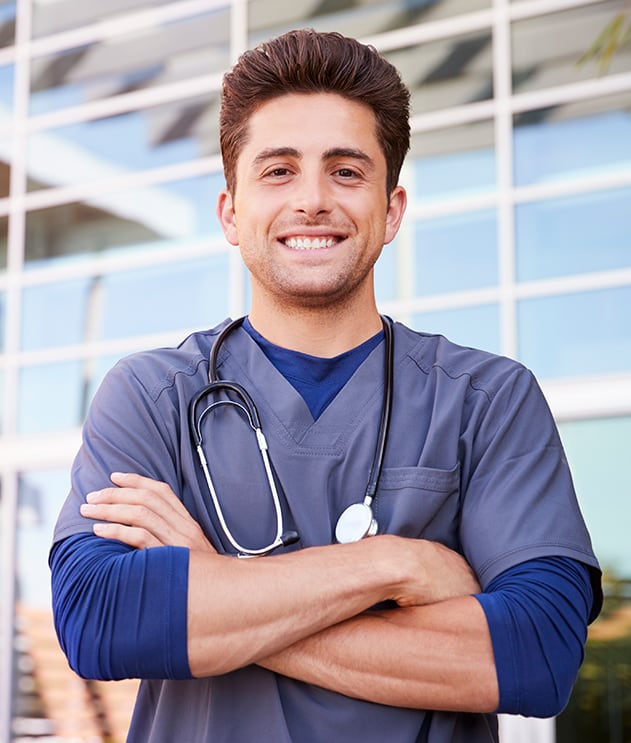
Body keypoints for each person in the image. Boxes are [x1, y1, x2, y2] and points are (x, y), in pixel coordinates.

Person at [50, 29, 602, 743]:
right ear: (229, 212)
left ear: (392, 208)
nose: (311, 200)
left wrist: (212, 591)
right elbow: (100, 620)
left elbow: (536, 655)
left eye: (345, 171)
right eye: (277, 171)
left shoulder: (486, 400)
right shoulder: (152, 395)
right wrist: (394, 563)